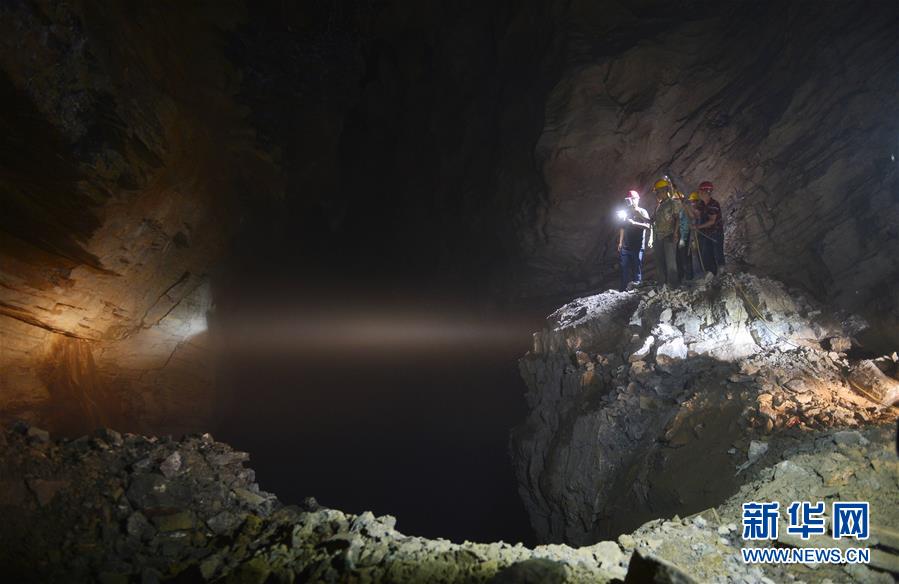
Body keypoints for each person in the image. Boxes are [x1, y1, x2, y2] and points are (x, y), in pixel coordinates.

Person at [617, 190, 650, 291]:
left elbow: (648, 226)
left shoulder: (642, 212)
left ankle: (638, 289)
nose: (630, 201)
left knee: (637, 269)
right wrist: (620, 242)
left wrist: (634, 223)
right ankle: (623, 290)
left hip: (638, 246)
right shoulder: (625, 212)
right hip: (626, 247)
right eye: (629, 199)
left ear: (637, 199)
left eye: (632, 199)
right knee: (624, 269)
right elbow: (622, 227)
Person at [649, 178, 680, 286]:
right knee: (660, 262)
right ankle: (662, 284)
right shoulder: (659, 206)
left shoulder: (673, 203)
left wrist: (675, 233)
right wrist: (639, 215)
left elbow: (677, 219)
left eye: (657, 191)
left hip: (669, 235)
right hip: (658, 237)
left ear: (663, 190)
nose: (656, 194)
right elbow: (652, 221)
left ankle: (673, 285)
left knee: (670, 263)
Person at [694, 181, 725, 274]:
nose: (698, 193)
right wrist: (686, 206)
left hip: (716, 234)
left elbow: (712, 221)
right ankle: (711, 274)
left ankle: (722, 274)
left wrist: (698, 227)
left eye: (700, 191)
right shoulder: (701, 204)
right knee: (707, 255)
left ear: (705, 192)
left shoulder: (714, 204)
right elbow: (695, 215)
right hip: (706, 234)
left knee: (717, 253)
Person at [675, 190, 695, 281]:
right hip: (679, 235)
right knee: (679, 257)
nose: (675, 202)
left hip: (685, 236)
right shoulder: (678, 210)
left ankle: (688, 278)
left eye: (676, 200)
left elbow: (691, 217)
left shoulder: (685, 208)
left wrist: (683, 238)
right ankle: (682, 277)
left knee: (685, 257)